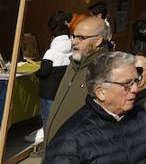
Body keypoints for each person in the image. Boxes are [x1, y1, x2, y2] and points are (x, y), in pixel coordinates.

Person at [42, 51, 146, 164]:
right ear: (101, 92)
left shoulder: (141, 117)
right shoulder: (71, 140)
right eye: (127, 84)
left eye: (136, 80)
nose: (135, 89)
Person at [44, 15, 111, 145]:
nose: (74, 41)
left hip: (74, 153)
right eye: (74, 36)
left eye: (81, 38)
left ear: (98, 41)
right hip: (54, 148)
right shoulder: (74, 63)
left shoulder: (105, 69)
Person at [37, 12, 72, 134]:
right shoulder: (72, 50)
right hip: (62, 90)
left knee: (48, 119)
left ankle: (47, 145)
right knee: (60, 118)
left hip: (48, 92)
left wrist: (37, 73)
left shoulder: (51, 53)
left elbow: (44, 72)